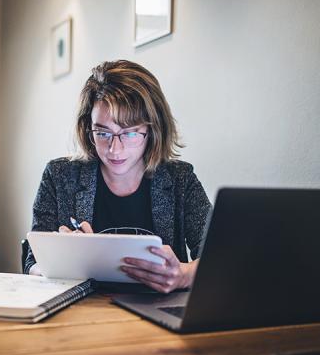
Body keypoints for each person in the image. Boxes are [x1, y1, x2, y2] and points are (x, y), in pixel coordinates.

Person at [24, 60, 211, 294]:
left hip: (159, 310)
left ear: (152, 130)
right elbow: (32, 264)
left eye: (130, 133)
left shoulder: (180, 179)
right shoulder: (60, 176)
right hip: (83, 312)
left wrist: (183, 275)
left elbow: (221, 258)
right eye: (102, 133)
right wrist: (66, 261)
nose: (114, 149)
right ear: (87, 128)